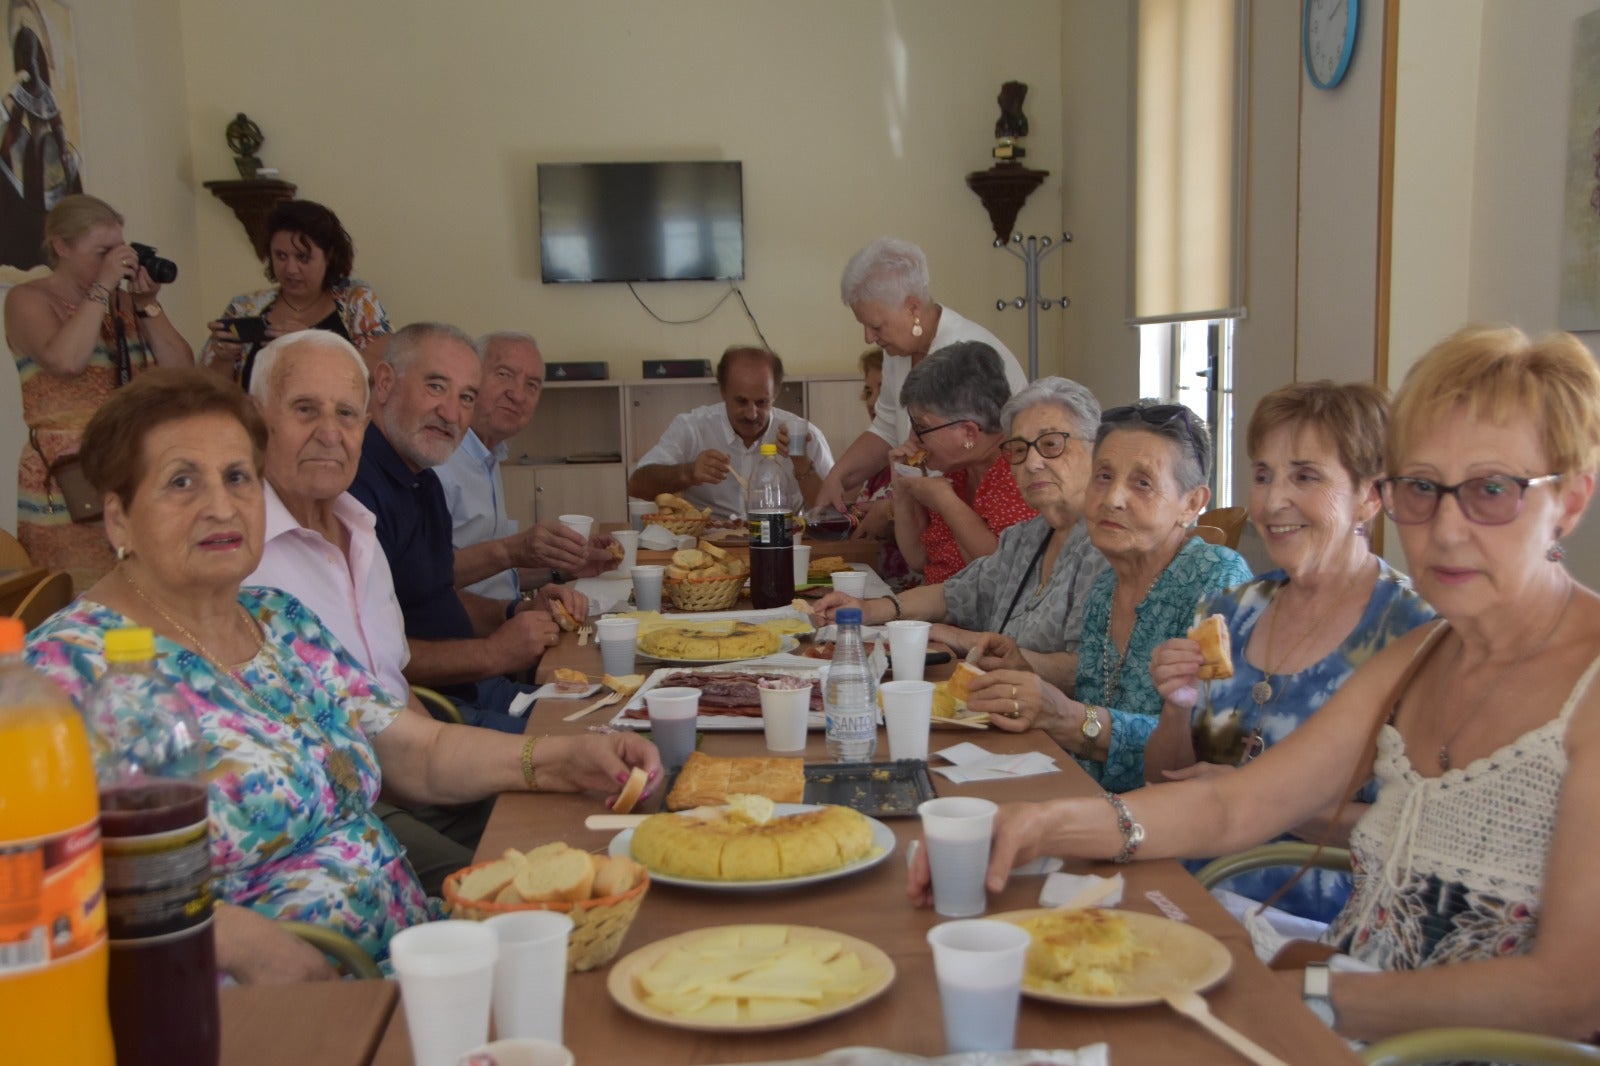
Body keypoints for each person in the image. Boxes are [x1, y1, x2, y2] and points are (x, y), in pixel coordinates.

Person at [921, 326, 1600, 1043]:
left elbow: (1573, 995)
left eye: (1492, 490)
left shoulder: (1577, 683)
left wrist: (1308, 994)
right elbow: (1232, 803)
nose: (1448, 528)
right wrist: (1042, 823)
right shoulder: (1424, 651)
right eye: (1423, 488)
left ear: (1571, 501)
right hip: (1345, 1007)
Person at [24, 366, 661, 979]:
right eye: (182, 482)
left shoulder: (276, 617)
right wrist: (225, 937)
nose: (222, 506)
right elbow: (32, 896)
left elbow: (420, 749)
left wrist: (563, 758)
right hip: (265, 1013)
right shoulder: (58, 673)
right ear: (117, 517)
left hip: (413, 952)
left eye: (239, 477)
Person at [1143, 381, 1435, 923]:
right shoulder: (1229, 609)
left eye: (1305, 476)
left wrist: (1255, 798)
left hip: (1317, 922)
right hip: (1188, 894)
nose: (1273, 501)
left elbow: (1419, 826)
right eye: (1262, 474)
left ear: (1371, 496)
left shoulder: (1416, 634)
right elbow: (1165, 780)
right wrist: (1175, 709)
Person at [242, 329, 488, 894]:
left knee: (569, 818)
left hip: (405, 766)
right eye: (305, 409)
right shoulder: (240, 559)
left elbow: (394, 697)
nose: (330, 434)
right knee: (505, 881)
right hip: (338, 815)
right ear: (256, 419)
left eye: (347, 414)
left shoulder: (361, 528)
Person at [970, 400, 1251, 792]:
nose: (1113, 498)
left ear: (1192, 504)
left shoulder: (1218, 581)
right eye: (1103, 476)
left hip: (1173, 824)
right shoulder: (1106, 585)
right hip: (1091, 799)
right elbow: (1098, 714)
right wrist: (1026, 669)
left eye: (1142, 483)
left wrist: (1067, 716)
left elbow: (1211, 755)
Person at [348, 322, 588, 732]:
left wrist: (514, 611)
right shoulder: (355, 491)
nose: (451, 412)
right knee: (597, 747)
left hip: (479, 685)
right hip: (436, 712)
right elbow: (371, 660)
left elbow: (438, 595)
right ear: (384, 384)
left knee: (623, 717)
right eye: (436, 387)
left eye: (466, 397)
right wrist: (494, 654)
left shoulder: (424, 478)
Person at [815, 377, 1106, 694]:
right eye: (1019, 450)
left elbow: (1092, 671)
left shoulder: (1108, 546)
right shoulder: (1026, 537)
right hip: (1000, 708)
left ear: (1096, 450)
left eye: (1051, 444)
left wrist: (968, 641)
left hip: (1057, 731)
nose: (1033, 463)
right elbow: (954, 592)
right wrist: (867, 609)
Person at [6, 194, 193, 588]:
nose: (116, 260)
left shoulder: (123, 303)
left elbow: (181, 371)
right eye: (103, 251)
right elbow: (66, 360)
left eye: (119, 249)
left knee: (145, 591)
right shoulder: (27, 299)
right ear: (61, 246)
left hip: (135, 469)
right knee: (78, 594)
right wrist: (103, 286)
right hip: (68, 482)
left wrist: (148, 305)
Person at [816, 237, 1027, 515]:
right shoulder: (897, 351)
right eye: (864, 325)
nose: (868, 337)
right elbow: (888, 427)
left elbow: (978, 452)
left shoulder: (966, 355)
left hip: (988, 510)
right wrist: (838, 477)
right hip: (933, 515)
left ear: (913, 307)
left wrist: (893, 509)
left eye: (875, 326)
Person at [435, 331, 616, 601]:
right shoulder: (438, 462)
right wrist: (513, 549)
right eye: (504, 374)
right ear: (470, 378)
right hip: (471, 635)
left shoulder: (490, 455)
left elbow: (492, 577)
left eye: (531, 385)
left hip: (507, 621)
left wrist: (563, 568)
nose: (518, 395)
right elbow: (424, 579)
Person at [200, 199, 392, 388]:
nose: (290, 269)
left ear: (329, 256)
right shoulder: (244, 307)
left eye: (303, 257)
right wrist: (223, 358)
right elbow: (208, 392)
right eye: (281, 256)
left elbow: (382, 370)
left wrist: (314, 343)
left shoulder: (356, 300)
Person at [888, 342, 1037, 584]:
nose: (913, 439)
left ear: (969, 432)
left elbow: (998, 575)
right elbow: (918, 559)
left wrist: (945, 501)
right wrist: (902, 491)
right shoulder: (957, 470)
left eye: (922, 427)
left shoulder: (1020, 472)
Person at [628, 345, 834, 518]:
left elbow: (832, 514)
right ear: (723, 390)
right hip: (707, 551)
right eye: (741, 401)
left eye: (762, 402)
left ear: (776, 393)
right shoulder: (693, 428)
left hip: (780, 543)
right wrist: (687, 473)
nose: (752, 414)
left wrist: (802, 464)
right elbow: (637, 484)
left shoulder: (802, 435)